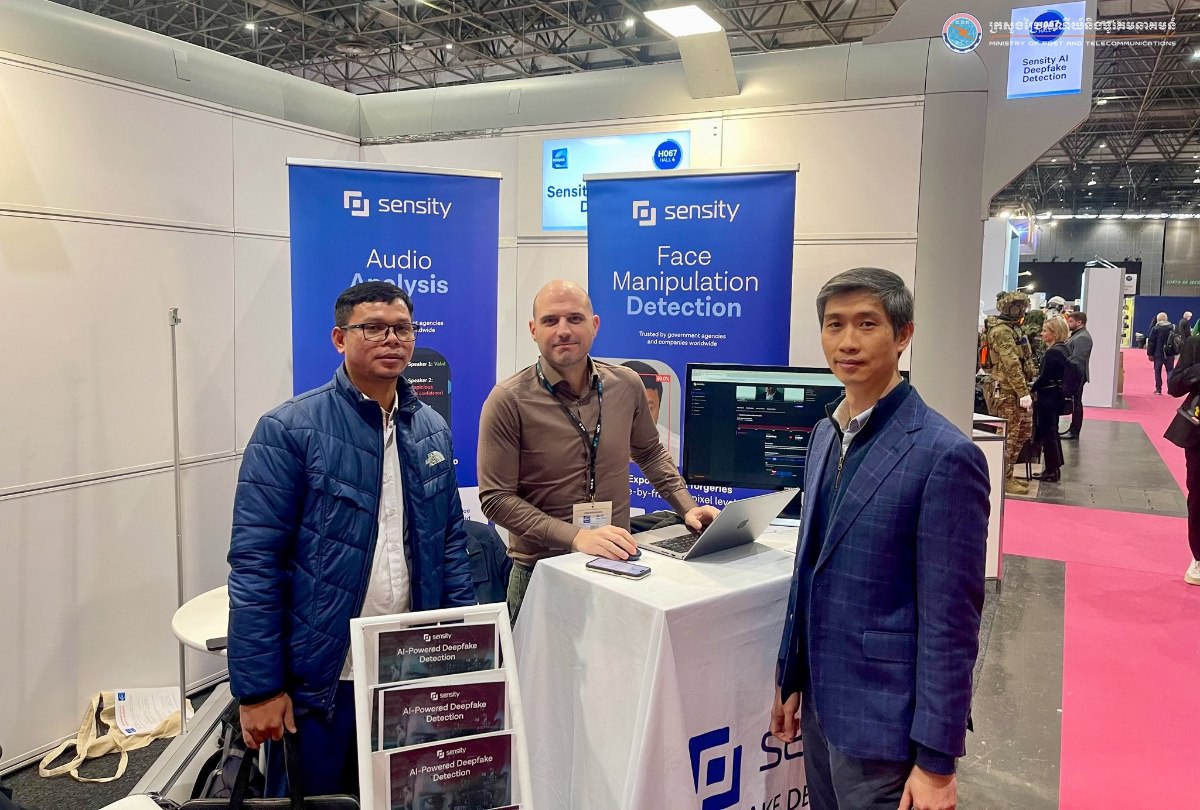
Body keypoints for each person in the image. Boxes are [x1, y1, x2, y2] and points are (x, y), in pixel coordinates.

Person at [227, 281, 476, 796]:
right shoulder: (289, 429)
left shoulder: (430, 428)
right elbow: (256, 564)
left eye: (402, 328)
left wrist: (461, 655)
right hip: (323, 679)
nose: (392, 339)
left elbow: (449, 543)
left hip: (408, 668)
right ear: (340, 339)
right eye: (374, 328)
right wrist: (259, 690)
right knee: (316, 800)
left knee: (401, 798)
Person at [771, 267, 989, 810]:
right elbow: (808, 571)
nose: (847, 342)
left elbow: (951, 623)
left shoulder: (944, 455)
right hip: (821, 707)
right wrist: (790, 676)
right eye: (834, 324)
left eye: (867, 324)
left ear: (903, 334)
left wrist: (937, 762)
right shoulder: (826, 434)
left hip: (888, 724)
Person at [478, 280, 719, 623]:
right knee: (535, 662)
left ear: (594, 325)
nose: (563, 330)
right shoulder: (508, 400)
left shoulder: (626, 384)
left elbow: (650, 453)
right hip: (541, 573)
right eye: (550, 320)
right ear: (533, 330)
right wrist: (577, 537)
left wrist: (688, 507)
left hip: (617, 564)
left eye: (575, 319)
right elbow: (496, 498)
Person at [984, 290, 1037, 494]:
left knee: (1023, 432)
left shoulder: (1013, 328)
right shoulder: (1001, 331)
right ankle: (1002, 477)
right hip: (1007, 390)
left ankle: (1008, 474)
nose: (1022, 311)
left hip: (1016, 389)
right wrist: (1023, 392)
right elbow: (1011, 364)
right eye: (1019, 307)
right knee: (1009, 435)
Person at [1166, 335, 1200, 587]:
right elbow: (1175, 386)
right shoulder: (1196, 344)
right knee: (1198, 496)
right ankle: (1198, 556)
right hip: (1198, 431)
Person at [1030, 317, 1070, 483]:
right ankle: (1054, 468)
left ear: (1054, 333)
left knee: (1048, 433)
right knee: (1052, 432)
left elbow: (1045, 377)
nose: (1042, 333)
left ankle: (1051, 470)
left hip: (1048, 397)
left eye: (1045, 331)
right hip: (1055, 396)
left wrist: (1031, 388)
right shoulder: (1064, 349)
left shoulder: (1053, 352)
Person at [621, 359, 681, 466]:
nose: (637, 418)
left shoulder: (677, 454)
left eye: (648, 408)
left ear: (658, 408)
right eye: (628, 406)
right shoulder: (590, 445)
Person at [1062, 310, 1092, 439]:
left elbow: (1077, 360)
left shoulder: (1082, 337)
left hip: (1077, 375)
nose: (1068, 323)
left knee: (1076, 403)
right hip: (1074, 374)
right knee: (1075, 402)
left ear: (1079, 322)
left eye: (1071, 321)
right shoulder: (1077, 335)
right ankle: (1073, 429)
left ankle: (1074, 431)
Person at [1147, 311, 1176, 395]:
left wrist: (1150, 354)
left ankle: (1158, 389)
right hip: (1170, 353)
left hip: (1158, 353)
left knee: (1157, 370)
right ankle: (1170, 388)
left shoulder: (1156, 328)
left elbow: (1151, 342)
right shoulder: (1173, 327)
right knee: (1170, 370)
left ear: (1158, 319)